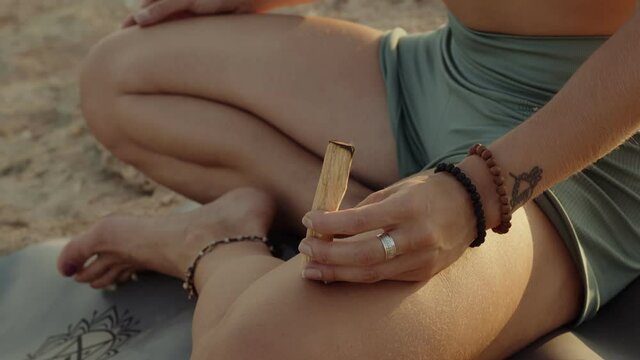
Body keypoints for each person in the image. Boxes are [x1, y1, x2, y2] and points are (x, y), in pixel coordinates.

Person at [56, 0, 640, 358]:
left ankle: (215, 242)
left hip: (590, 147)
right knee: (123, 74)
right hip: (453, 70)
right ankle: (374, 223)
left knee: (257, 354)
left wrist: (474, 194)